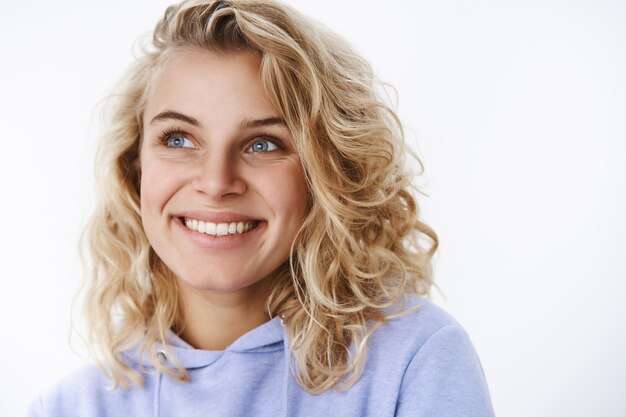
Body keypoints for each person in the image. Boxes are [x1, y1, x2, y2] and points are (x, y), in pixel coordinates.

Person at [28, 0, 494, 416]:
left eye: (264, 143)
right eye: (178, 138)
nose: (215, 182)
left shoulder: (416, 361)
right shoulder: (70, 407)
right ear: (135, 168)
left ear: (327, 172)